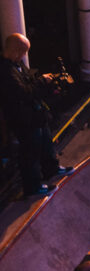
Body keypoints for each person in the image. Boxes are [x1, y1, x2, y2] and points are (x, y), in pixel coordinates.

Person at [0, 32, 72, 197]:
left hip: (35, 114)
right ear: (16, 51)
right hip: (23, 119)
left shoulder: (17, 64)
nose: (24, 56)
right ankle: (32, 187)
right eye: (23, 52)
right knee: (30, 153)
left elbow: (28, 81)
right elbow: (24, 93)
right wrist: (42, 82)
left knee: (46, 142)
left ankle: (51, 169)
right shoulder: (5, 71)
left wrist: (41, 79)